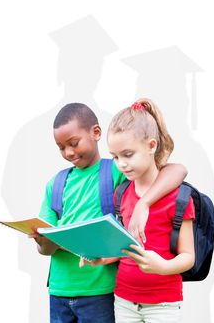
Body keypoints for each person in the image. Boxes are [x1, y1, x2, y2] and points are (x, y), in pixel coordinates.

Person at [30, 102, 188, 323]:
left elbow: (177, 170)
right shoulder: (55, 184)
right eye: (61, 147)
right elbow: (44, 249)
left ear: (96, 133)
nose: (68, 152)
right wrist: (42, 238)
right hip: (59, 290)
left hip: (101, 289)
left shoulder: (116, 170)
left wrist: (144, 203)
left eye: (74, 143)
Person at [107, 98, 195, 323]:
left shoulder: (179, 197)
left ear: (151, 146)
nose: (121, 164)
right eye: (115, 157)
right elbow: (126, 247)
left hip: (163, 304)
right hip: (124, 300)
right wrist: (103, 258)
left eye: (128, 155)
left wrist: (163, 266)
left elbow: (188, 257)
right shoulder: (122, 193)